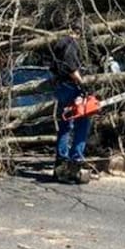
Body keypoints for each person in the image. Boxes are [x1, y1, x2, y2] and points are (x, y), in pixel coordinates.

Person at [49, 29, 92, 184]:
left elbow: (53, 67)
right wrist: (82, 84)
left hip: (61, 87)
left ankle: (60, 165)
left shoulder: (59, 44)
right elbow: (71, 66)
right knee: (82, 123)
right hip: (71, 87)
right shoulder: (71, 43)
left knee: (65, 124)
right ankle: (74, 164)